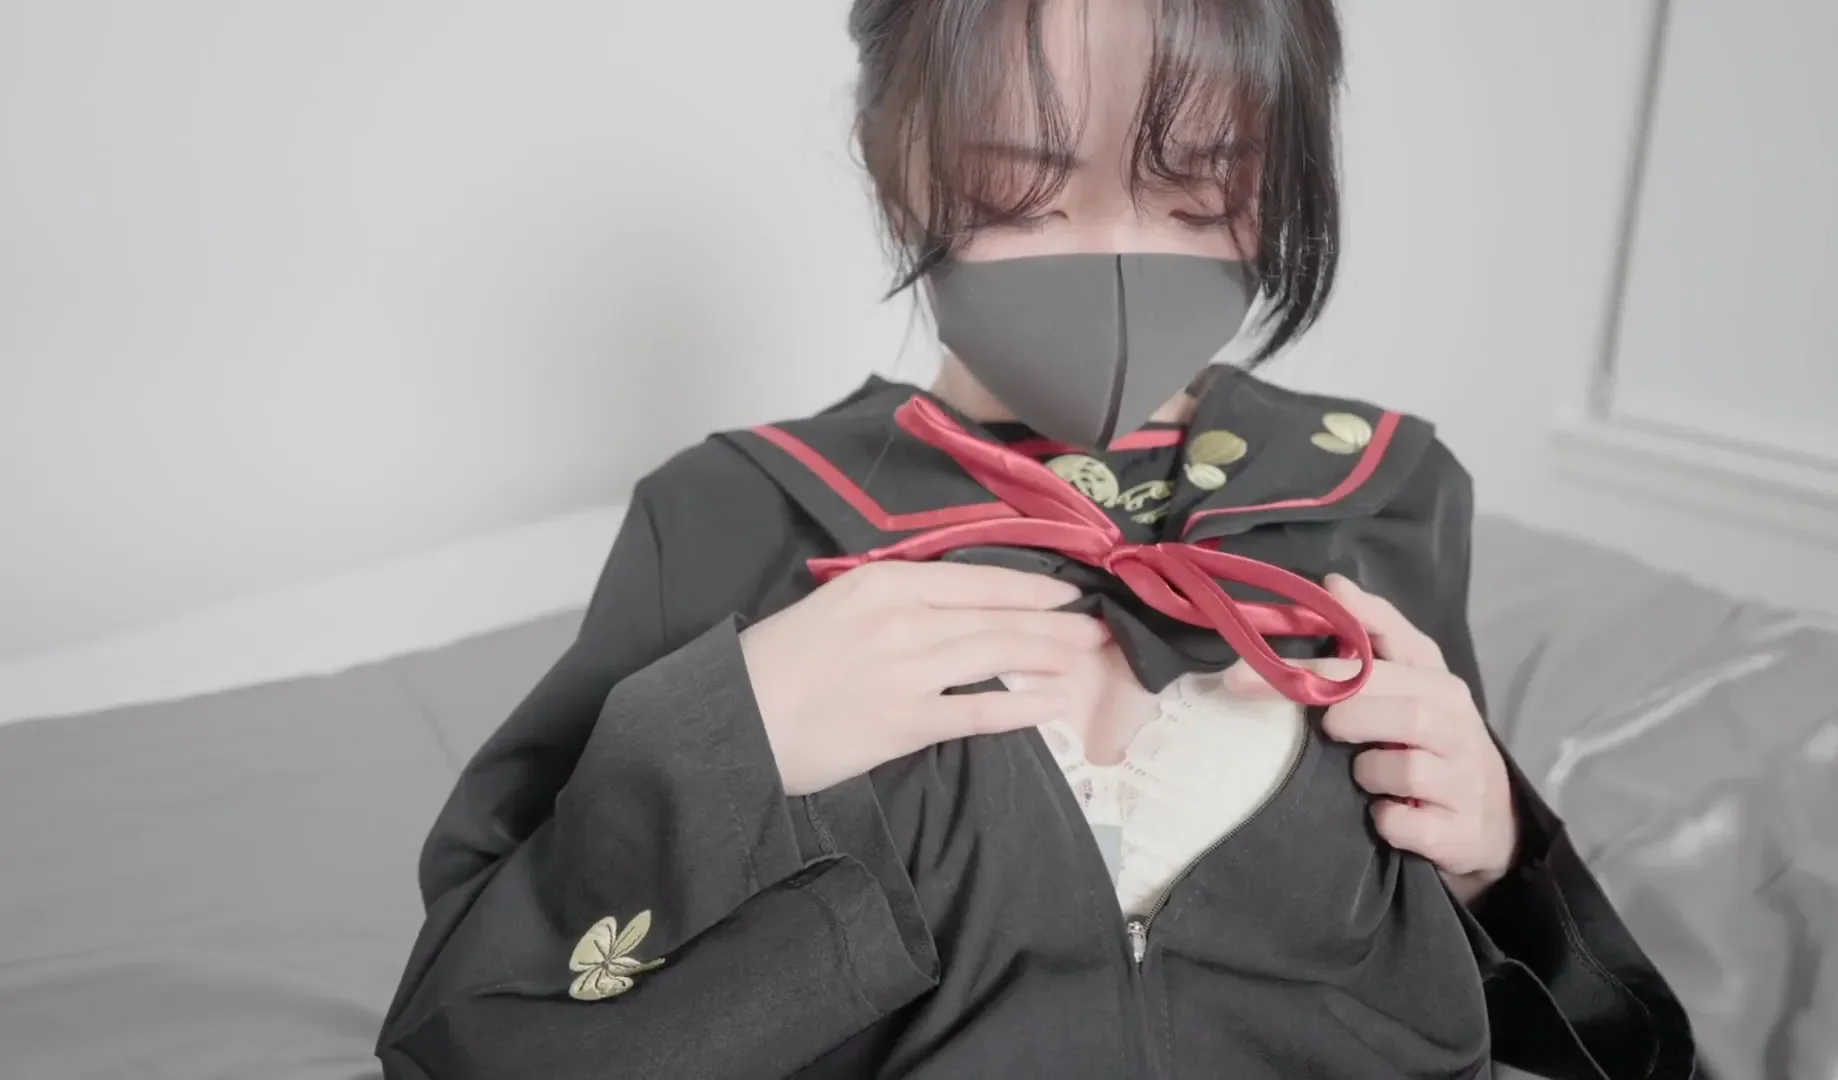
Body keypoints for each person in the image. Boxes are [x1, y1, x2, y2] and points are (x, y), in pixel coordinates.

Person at [376, 1, 1695, 1077]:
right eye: (1023, 190)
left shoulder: (1383, 492)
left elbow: (1589, 1028)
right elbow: (470, 1028)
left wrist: (1495, 859)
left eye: (1200, 193)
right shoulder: (734, 512)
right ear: (899, 154)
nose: (1115, 256)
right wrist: (727, 743)